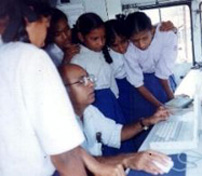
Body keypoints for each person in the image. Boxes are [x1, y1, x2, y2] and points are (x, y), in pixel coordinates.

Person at [0, 1, 124, 175]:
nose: (45, 38)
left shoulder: (5, 56)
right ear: (30, 17)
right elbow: (63, 153)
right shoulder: (31, 57)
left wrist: (96, 166)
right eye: (47, 25)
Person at [59, 63, 172, 175]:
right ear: (61, 90)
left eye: (89, 78)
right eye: (81, 81)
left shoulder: (89, 111)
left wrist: (147, 121)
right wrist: (127, 159)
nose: (91, 84)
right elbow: (80, 163)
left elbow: (116, 133)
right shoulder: (58, 123)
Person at [71, 12, 136, 155]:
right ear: (81, 37)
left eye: (103, 37)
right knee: (107, 142)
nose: (101, 42)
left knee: (120, 137)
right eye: (95, 38)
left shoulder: (103, 52)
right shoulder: (77, 59)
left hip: (111, 99)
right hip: (95, 102)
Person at [104, 17, 177, 124]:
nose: (121, 48)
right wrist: (162, 106)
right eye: (115, 45)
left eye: (123, 42)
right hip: (128, 88)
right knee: (140, 118)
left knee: (163, 116)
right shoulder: (121, 54)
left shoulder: (150, 36)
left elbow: (148, 30)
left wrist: (171, 28)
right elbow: (137, 83)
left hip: (148, 82)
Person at [123, 12, 178, 147]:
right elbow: (138, 83)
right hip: (143, 88)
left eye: (144, 38)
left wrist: (172, 101)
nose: (141, 45)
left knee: (171, 119)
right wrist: (160, 105)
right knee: (147, 125)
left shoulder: (166, 35)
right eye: (135, 40)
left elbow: (163, 73)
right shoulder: (128, 49)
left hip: (164, 81)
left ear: (152, 30)